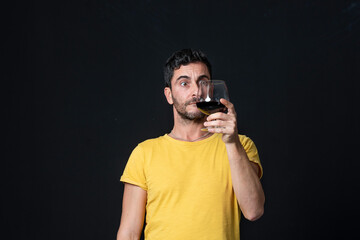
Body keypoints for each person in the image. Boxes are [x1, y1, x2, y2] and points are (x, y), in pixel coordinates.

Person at [116, 49, 265, 240]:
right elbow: (128, 234)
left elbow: (254, 211)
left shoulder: (240, 145)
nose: (195, 91)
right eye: (184, 83)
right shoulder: (144, 153)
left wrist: (232, 142)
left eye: (203, 83)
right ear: (169, 95)